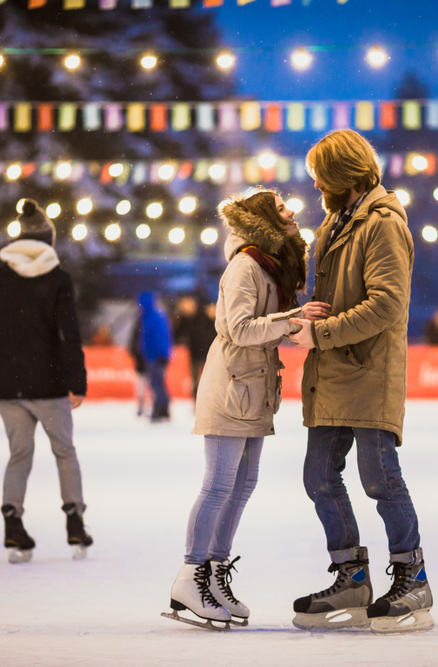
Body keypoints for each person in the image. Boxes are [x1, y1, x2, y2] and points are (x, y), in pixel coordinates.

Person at [287, 129, 432, 634]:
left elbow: (387, 303)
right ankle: (351, 577)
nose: (315, 187)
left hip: (369, 370)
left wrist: (321, 333)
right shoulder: (333, 222)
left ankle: (413, 578)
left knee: (380, 478)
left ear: (342, 175)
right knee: (319, 478)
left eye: (319, 177)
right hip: (332, 371)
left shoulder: (383, 224)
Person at [166, 188, 308, 630]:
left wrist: (297, 321)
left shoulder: (271, 266)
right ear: (265, 219)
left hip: (254, 387)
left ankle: (214, 572)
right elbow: (237, 328)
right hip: (231, 387)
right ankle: (190, 576)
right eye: (283, 209)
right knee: (219, 484)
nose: (292, 214)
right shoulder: (245, 265)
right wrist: (290, 321)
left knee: (243, 485)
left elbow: (265, 327)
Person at [0, 199, 91, 565]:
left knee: (19, 453)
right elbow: (68, 334)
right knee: (64, 451)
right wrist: (77, 380)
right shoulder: (57, 277)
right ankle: (75, 522)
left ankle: (13, 523)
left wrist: (5, 364)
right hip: (48, 383)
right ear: (49, 240)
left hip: (8, 383)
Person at [173, 294, 218, 400]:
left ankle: (212, 400)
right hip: (195, 353)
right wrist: (179, 316)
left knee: (212, 378)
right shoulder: (185, 318)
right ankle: (197, 401)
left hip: (210, 352)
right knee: (195, 380)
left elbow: (215, 330)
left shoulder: (205, 313)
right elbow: (177, 335)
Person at [136, 291, 172, 422]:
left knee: (156, 383)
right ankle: (162, 408)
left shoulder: (151, 316)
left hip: (155, 356)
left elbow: (152, 338)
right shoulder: (156, 314)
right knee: (157, 383)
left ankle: (162, 409)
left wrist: (154, 354)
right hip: (158, 354)